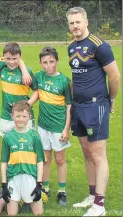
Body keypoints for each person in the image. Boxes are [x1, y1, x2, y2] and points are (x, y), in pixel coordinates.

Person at [66, 7, 120, 216]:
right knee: (86, 153)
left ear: (86, 22)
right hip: (78, 107)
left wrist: (111, 100)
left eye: (78, 22)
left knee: (98, 155)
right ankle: (91, 195)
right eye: (71, 23)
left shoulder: (100, 46)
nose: (75, 26)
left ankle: (100, 205)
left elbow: (115, 77)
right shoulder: (71, 47)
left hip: (96, 106)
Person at [35, 47, 72, 206]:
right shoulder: (39, 77)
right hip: (43, 126)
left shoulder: (64, 81)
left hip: (58, 127)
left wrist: (66, 128)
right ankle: (45, 188)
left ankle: (62, 191)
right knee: (45, 159)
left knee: (60, 159)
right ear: (40, 63)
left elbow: (70, 107)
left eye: (51, 61)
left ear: (57, 61)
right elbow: (20, 70)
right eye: (44, 62)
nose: (48, 65)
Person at [0, 100, 44, 216]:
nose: (20, 119)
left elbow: (40, 161)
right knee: (12, 214)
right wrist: (4, 185)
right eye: (18, 116)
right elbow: (4, 161)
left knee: (39, 214)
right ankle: (14, 199)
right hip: (13, 178)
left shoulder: (35, 136)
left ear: (29, 117)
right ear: (12, 116)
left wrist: (39, 184)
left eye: (24, 116)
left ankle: (24, 199)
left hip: (30, 177)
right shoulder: (7, 137)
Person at [0, 43, 38, 137]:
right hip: (6, 116)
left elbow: (36, 91)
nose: (11, 62)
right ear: (3, 57)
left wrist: (28, 105)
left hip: (24, 115)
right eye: (8, 59)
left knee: (27, 144)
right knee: (7, 144)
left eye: (15, 59)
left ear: (20, 57)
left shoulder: (27, 72)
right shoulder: (1, 68)